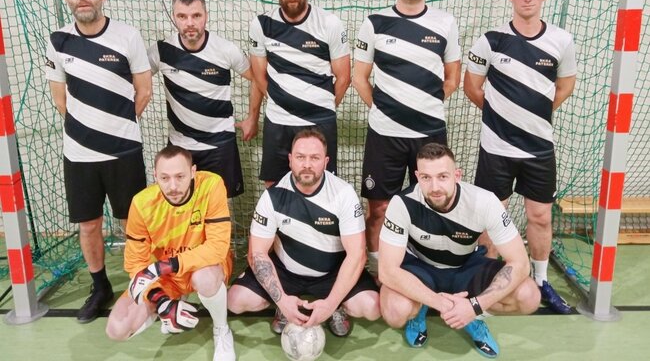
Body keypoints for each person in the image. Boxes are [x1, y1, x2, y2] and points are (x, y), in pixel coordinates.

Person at [463, 0, 577, 314]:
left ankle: (541, 282)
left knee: (540, 216)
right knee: (491, 217)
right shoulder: (491, 40)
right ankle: (486, 284)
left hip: (539, 149)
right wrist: (502, 116)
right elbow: (472, 86)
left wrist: (533, 116)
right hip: (496, 149)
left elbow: (565, 85)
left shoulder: (561, 41)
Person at [45, 0, 152, 323]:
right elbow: (60, 98)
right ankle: (100, 286)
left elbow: (144, 91)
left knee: (132, 223)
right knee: (89, 225)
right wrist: (87, 130)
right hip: (79, 154)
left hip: (124, 151)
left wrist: (117, 128)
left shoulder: (127, 36)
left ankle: (140, 284)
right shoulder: (58, 41)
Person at [352, 0, 462, 277]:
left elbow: (452, 78)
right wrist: (386, 109)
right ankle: (377, 273)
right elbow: (359, 78)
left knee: (433, 204)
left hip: (430, 135)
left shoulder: (445, 23)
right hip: (384, 135)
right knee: (379, 209)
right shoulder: (374, 23)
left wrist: (424, 105)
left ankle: (429, 272)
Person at [379, 143, 540, 358]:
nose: (434, 187)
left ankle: (474, 317)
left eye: (442, 177)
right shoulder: (402, 204)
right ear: (417, 176)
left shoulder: (484, 201)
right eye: (426, 177)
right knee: (395, 312)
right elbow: (387, 271)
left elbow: (520, 263)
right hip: (420, 268)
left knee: (529, 296)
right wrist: (440, 303)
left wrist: (474, 307)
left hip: (465, 267)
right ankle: (422, 307)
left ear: (457, 175)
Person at [227, 129, 380, 337]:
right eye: (300, 157)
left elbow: (357, 255)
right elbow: (257, 254)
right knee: (235, 301)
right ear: (290, 160)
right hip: (286, 271)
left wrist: (331, 304)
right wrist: (281, 300)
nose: (307, 164)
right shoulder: (272, 197)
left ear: (326, 161)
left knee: (371, 307)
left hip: (332, 272)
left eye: (314, 158)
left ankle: (336, 307)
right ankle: (286, 307)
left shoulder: (343, 194)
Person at [105, 145, 235, 361]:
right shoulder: (142, 203)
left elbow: (217, 247)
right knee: (117, 329)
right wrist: (162, 301)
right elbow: (136, 263)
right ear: (155, 176)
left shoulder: (211, 185)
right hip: (166, 277)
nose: (173, 186)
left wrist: (164, 266)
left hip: (202, 267)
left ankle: (221, 329)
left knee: (204, 279)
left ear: (193, 172)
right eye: (164, 178)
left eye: (180, 177)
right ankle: (172, 304)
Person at [148, 0, 262, 199]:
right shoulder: (161, 51)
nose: (190, 23)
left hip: (219, 143)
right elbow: (135, 80)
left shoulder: (226, 49)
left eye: (196, 15)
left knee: (220, 207)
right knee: (181, 204)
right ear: (174, 17)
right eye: (182, 16)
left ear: (206, 16)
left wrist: (252, 118)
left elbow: (258, 78)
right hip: (181, 145)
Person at [248, 0, 351, 187]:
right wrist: (282, 103)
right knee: (275, 187)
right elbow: (259, 76)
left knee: (322, 187)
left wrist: (322, 106)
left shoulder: (330, 23)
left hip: (320, 122)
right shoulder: (261, 25)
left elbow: (344, 77)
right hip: (278, 121)